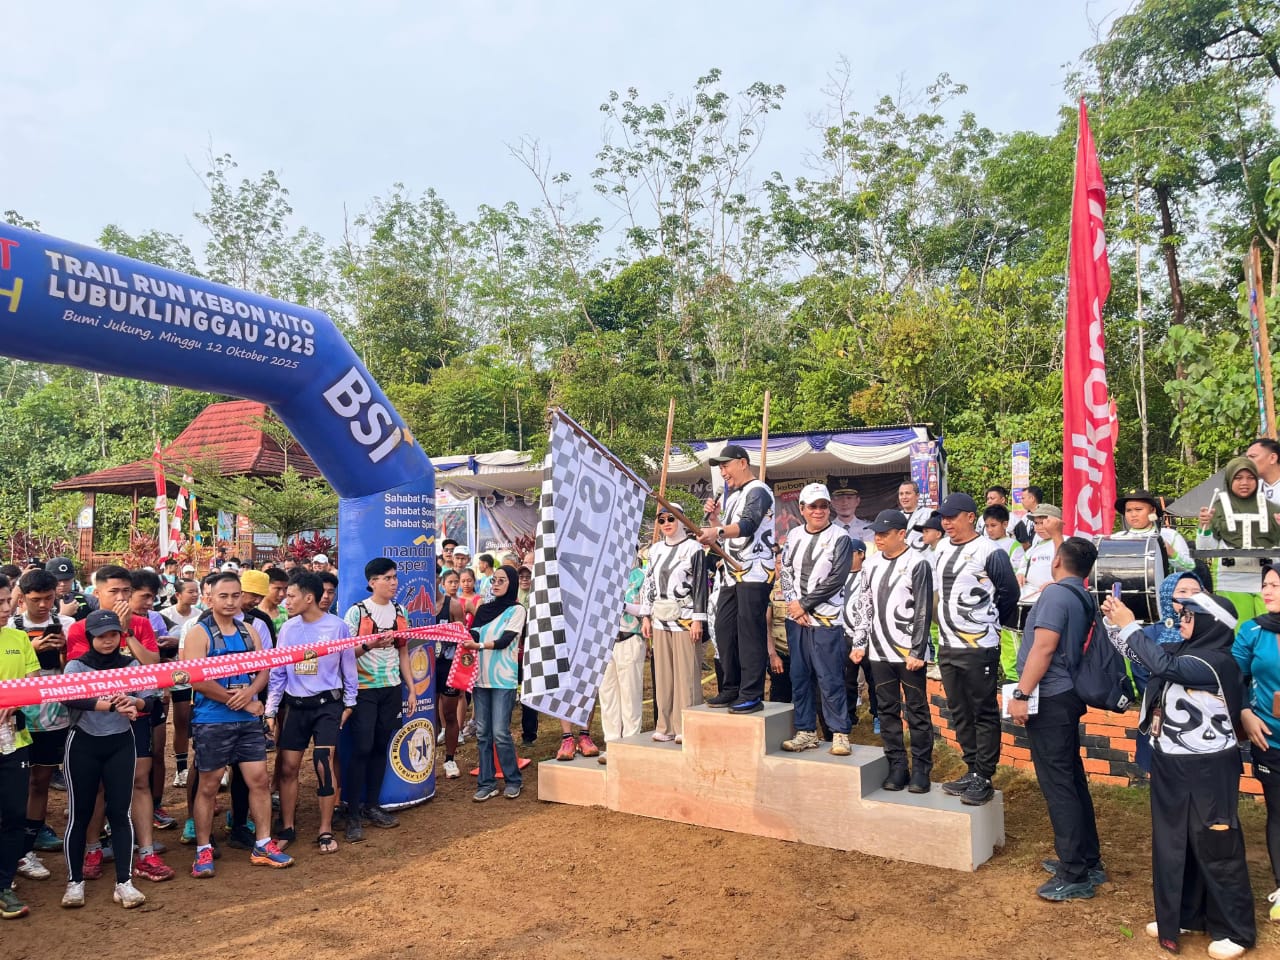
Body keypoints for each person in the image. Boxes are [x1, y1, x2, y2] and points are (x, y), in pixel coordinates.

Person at [1105, 591, 1255, 959]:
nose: (1182, 620)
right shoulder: (1183, 652)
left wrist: (1130, 626)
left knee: (1216, 843)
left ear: (1211, 623)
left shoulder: (1218, 662)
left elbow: (1164, 666)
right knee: (1174, 843)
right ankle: (1185, 916)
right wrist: (1115, 622)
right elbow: (1143, 655)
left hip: (1209, 768)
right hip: (1171, 763)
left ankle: (1235, 929)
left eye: (1190, 615)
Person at [1007, 537, 1105, 902]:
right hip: (1066, 696)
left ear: (1058, 561)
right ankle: (1088, 860)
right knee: (1072, 780)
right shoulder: (1082, 595)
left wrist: (1022, 693)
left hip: (1049, 697)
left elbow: (1044, 646)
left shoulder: (1055, 595)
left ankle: (1074, 872)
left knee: (1059, 785)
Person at [183, 572, 294, 877]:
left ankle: (263, 843)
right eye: (223, 596)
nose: (230, 602)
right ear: (210, 598)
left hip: (246, 721)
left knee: (259, 780)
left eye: (235, 595)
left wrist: (251, 693)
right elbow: (197, 679)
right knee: (208, 785)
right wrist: (244, 701)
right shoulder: (199, 633)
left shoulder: (250, 631)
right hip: (212, 720)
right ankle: (203, 849)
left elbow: (264, 669)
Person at [59, 609, 152, 910]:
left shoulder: (130, 665)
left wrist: (134, 701)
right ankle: (75, 881)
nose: (108, 640)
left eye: (113, 634)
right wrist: (110, 705)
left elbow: (150, 700)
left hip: (120, 743)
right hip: (83, 743)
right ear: (90, 638)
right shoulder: (77, 665)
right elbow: (69, 697)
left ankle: (124, 882)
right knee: (80, 813)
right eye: (101, 636)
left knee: (120, 813)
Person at [934, 493, 1019, 806]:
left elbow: (1010, 593)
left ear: (971, 517)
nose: (946, 523)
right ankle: (971, 768)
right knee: (959, 710)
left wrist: (990, 624)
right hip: (948, 644)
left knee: (982, 710)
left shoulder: (990, 551)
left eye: (952, 517)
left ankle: (984, 773)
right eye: (943, 517)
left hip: (979, 645)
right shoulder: (941, 547)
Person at [266, 573, 357, 855]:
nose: (286, 601)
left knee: (322, 764)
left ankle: (325, 829)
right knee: (288, 767)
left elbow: (348, 666)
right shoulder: (288, 629)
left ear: (309, 598)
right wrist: (271, 709)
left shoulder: (337, 627)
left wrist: (349, 703)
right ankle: (287, 827)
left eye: (291, 596)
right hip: (296, 706)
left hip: (328, 706)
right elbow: (278, 672)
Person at [850, 510, 934, 790]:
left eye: (885, 534)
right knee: (886, 710)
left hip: (908, 652)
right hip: (879, 652)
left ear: (901, 534)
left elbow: (923, 609)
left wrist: (917, 650)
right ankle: (897, 766)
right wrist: (859, 643)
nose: (879, 539)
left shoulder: (917, 563)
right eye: (876, 534)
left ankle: (921, 769)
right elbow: (864, 605)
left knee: (917, 711)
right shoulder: (871, 564)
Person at [341, 559, 415, 843]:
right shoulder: (357, 612)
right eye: (387, 578)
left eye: (395, 577)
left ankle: (372, 805)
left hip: (391, 689)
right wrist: (370, 643)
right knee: (361, 747)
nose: (394, 582)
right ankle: (353, 814)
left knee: (381, 746)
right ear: (372, 582)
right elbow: (346, 654)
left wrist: (411, 688)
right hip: (364, 690)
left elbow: (403, 652)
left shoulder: (400, 611)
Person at [698, 445, 776, 714]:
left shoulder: (759, 490)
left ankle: (751, 693)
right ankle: (731, 687)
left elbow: (748, 525)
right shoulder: (733, 497)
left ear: (742, 463)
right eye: (720, 468)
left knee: (749, 632)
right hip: (731, 574)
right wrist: (715, 520)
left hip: (755, 572)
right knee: (724, 629)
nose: (723, 472)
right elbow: (727, 537)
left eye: (726, 466)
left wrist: (717, 531)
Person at [778, 484, 854, 757]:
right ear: (802, 509)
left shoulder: (840, 537)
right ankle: (806, 730)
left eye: (823, 506)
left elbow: (837, 578)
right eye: (813, 506)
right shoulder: (794, 535)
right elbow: (785, 571)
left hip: (827, 620)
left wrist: (805, 604)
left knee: (830, 677)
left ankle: (840, 732)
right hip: (797, 620)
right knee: (799, 677)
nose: (818, 511)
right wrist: (794, 606)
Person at [10, 569, 75, 872]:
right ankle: (16, 844)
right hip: (17, 714)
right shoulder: (10, 628)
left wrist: (63, 651)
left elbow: (74, 671)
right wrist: (31, 649)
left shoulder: (67, 625)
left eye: (48, 598)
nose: (43, 605)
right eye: (36, 599)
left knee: (41, 780)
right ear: (22, 598)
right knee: (15, 782)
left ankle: (30, 840)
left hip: (54, 714)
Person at [1232, 565, 1280, 924]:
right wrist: (1245, 713)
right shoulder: (1252, 630)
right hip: (1270, 737)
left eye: (1276, 585)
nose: (1267, 591)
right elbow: (1234, 678)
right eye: (1265, 584)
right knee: (1278, 811)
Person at [641, 504, 708, 743]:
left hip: (685, 617)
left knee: (686, 674)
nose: (667, 523)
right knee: (664, 675)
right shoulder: (655, 550)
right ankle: (665, 725)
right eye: (662, 520)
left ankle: (686, 726)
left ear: (681, 520)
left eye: (671, 518)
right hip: (660, 618)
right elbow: (648, 583)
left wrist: (698, 619)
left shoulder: (693, 548)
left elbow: (700, 585)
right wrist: (645, 615)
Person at [459, 565, 527, 801]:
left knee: (500, 732)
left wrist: (477, 645)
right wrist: (460, 633)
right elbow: (474, 634)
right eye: (494, 580)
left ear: (511, 584)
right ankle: (486, 783)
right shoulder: (483, 609)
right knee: (483, 733)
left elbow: (506, 640)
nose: (495, 584)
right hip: (480, 677)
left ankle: (513, 780)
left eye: (501, 580)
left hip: (503, 679)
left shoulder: (517, 610)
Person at [1197, 457, 1280, 623]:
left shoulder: (1272, 509)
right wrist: (1203, 525)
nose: (1245, 483)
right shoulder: (1217, 509)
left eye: (1250, 478)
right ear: (1229, 480)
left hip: (1269, 581)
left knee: (1271, 629)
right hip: (1230, 581)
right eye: (1238, 478)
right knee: (1238, 630)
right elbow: (1204, 548)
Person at [0, 575, 39, 919]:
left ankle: (4, 884)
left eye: (6, 601)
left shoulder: (18, 638)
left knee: (13, 814)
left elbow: (34, 684)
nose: (5, 609)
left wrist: (17, 700)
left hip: (14, 741)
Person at [600, 555, 647, 764]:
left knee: (630, 695)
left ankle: (631, 743)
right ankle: (611, 743)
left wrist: (623, 605)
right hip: (605, 642)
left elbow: (646, 608)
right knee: (608, 695)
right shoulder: (605, 576)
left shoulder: (641, 576)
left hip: (630, 638)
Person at [160, 579, 199, 788]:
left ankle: (187, 768)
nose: (195, 595)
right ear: (178, 595)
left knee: (184, 720)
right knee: (166, 723)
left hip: (187, 675)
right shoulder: (164, 615)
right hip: (165, 674)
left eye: (196, 591)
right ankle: (180, 768)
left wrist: (179, 643)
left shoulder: (200, 615)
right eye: (190, 591)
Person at [1114, 489, 1193, 573]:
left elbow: (1190, 567)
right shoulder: (1117, 538)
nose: (1133, 514)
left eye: (1138, 509)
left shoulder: (1170, 535)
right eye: (1128, 510)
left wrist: (1172, 554)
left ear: (1152, 510)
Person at [435, 569, 465, 778]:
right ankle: (424, 761)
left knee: (449, 714)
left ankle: (450, 760)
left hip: (447, 666)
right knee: (426, 715)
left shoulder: (452, 605)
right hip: (422, 668)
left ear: (438, 579)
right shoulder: (414, 607)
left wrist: (461, 671)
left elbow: (463, 639)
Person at [46, 557, 95, 621]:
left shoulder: (88, 600)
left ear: (73, 579)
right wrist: (63, 615)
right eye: (58, 580)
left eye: (67, 580)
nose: (63, 584)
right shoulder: (40, 602)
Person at [828, 477, 874, 543]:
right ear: (832, 502)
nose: (844, 502)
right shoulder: (827, 530)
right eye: (839, 498)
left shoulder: (870, 529)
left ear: (857, 501)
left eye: (849, 498)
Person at [899, 480, 934, 550]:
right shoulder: (896, 516)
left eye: (908, 493)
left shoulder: (930, 514)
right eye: (901, 494)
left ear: (917, 496)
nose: (904, 497)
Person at [1246, 438, 1280, 503]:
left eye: (1253, 456)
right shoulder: (1252, 487)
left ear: (1273, 458)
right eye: (1247, 458)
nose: (1248, 462)